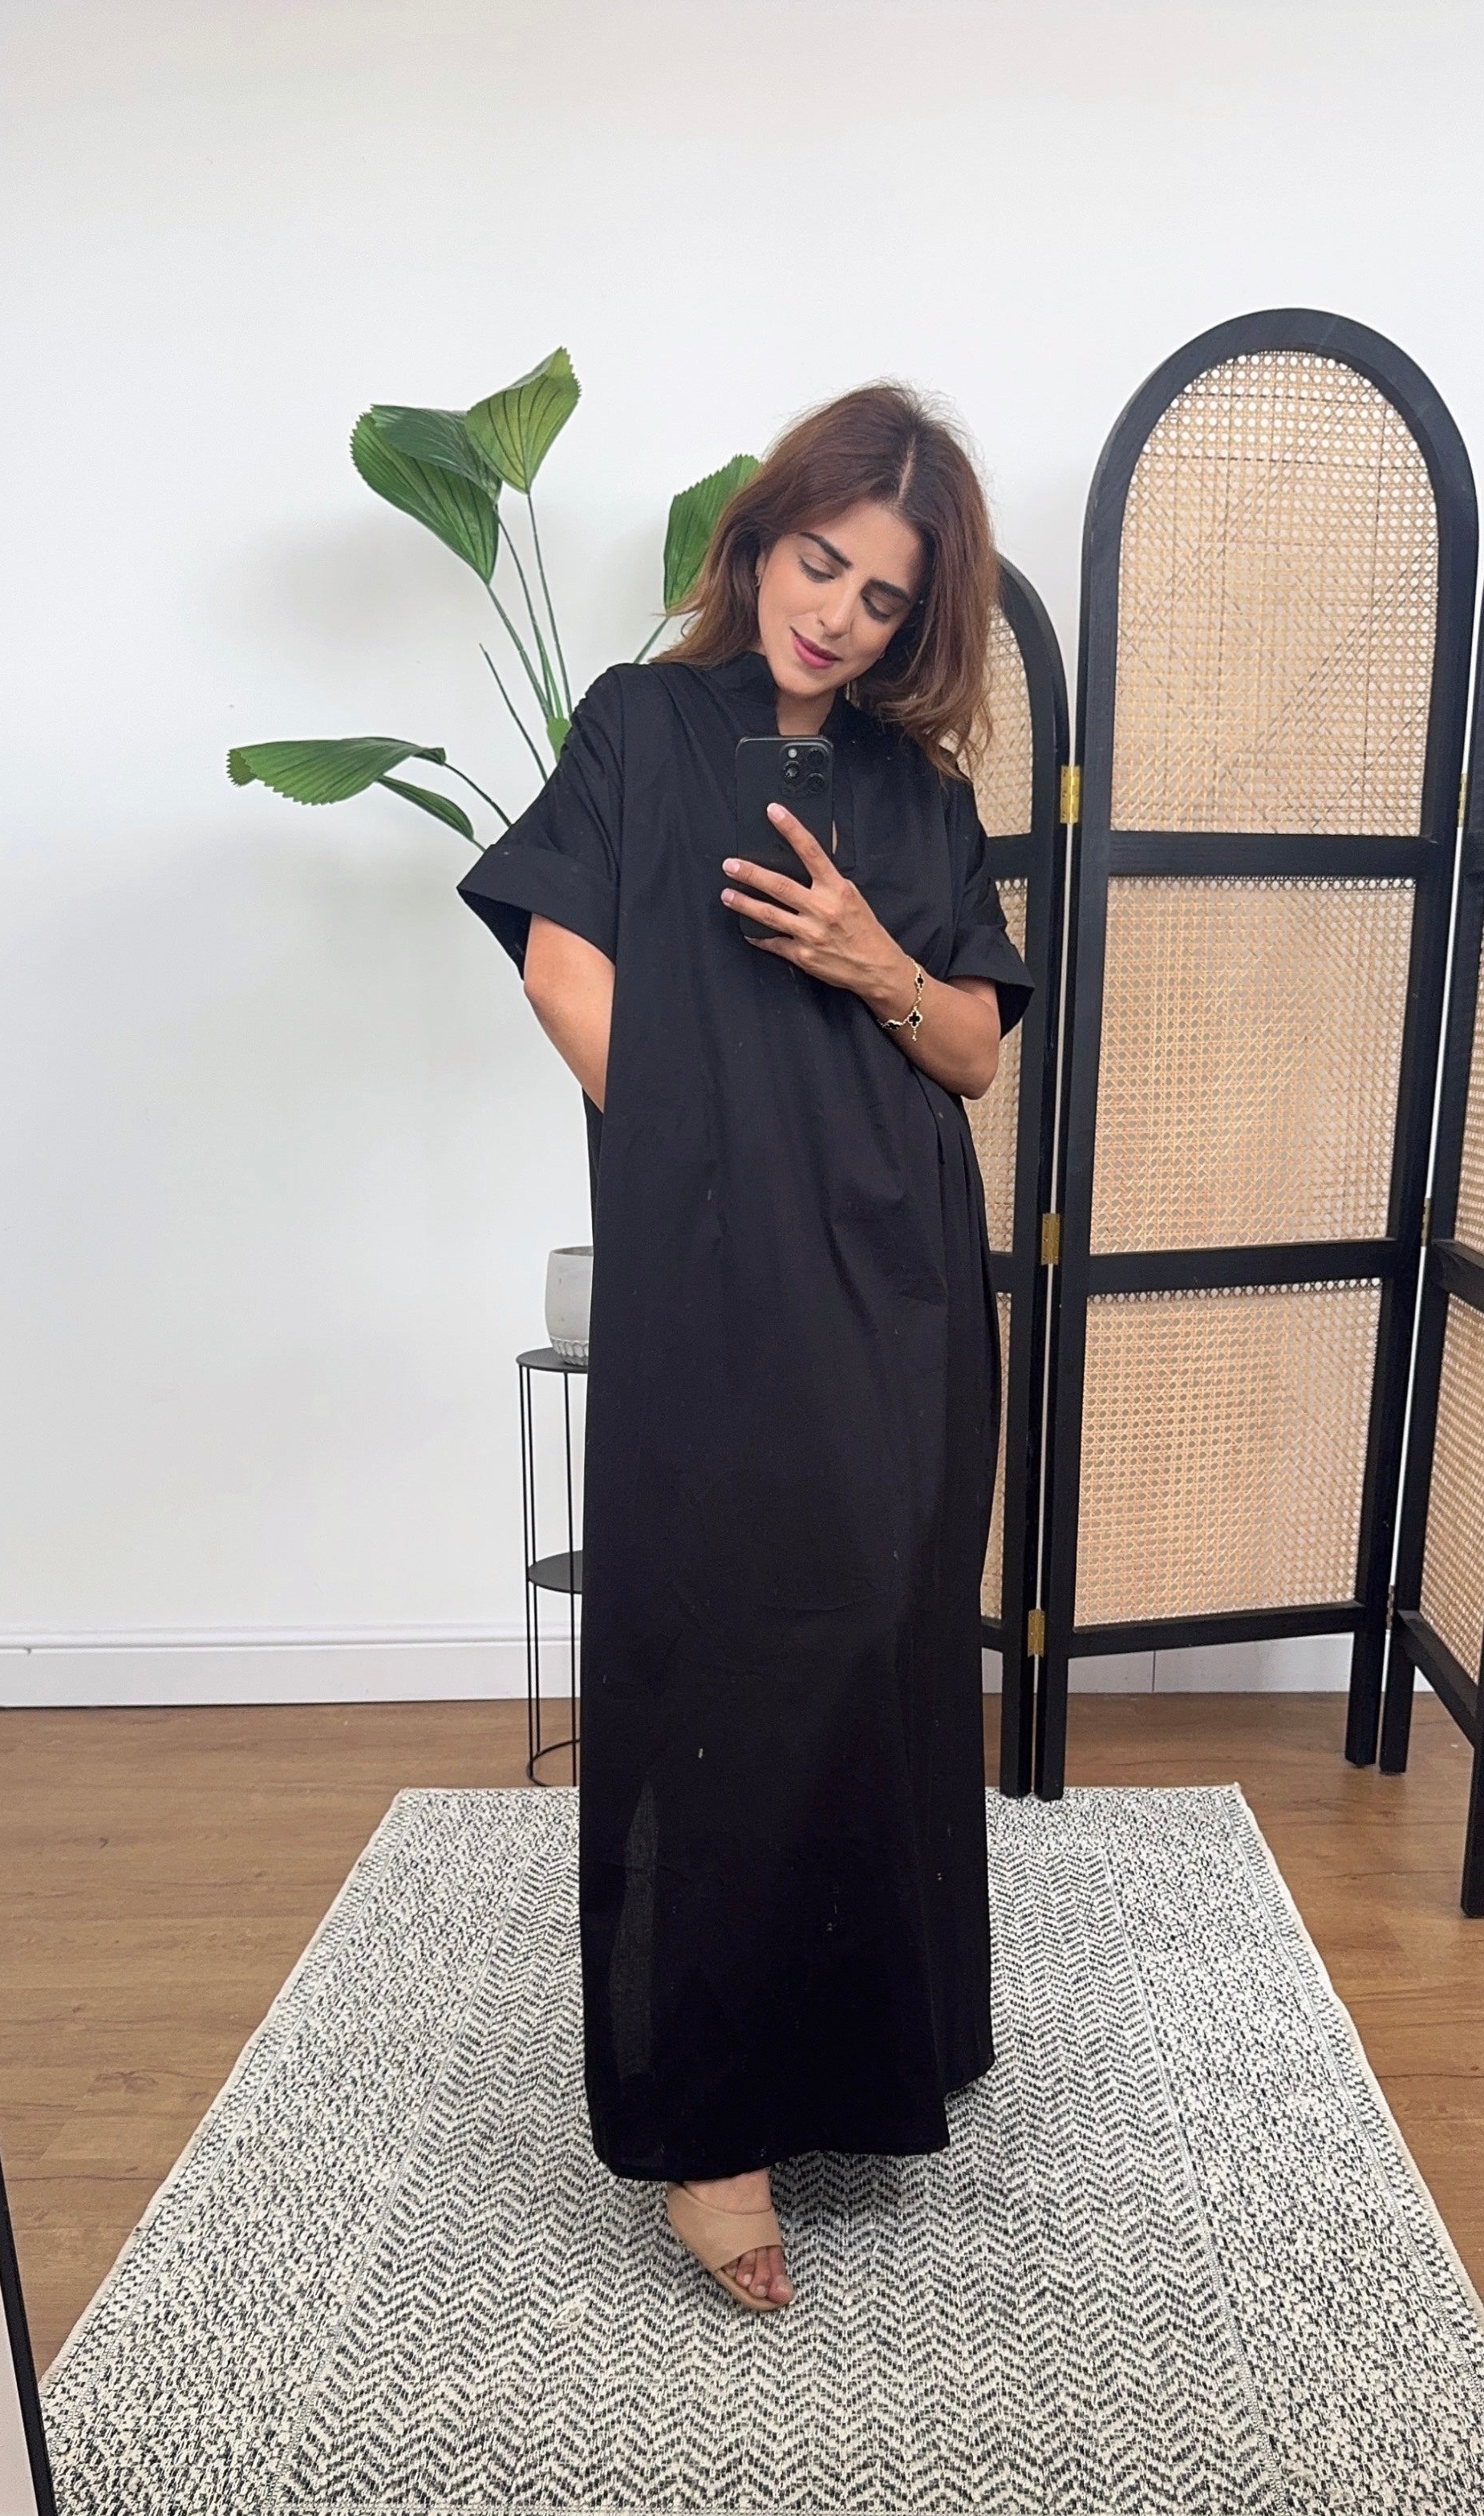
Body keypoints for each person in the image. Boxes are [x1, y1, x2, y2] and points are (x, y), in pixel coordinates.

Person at [458, 383, 1033, 2312]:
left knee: (876, 1635)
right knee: (719, 1647)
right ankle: (712, 2128)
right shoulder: (639, 727)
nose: (837, 615)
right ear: (762, 536)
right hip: (714, 1261)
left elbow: (972, 1048)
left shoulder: (918, 795)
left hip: (899, 1269)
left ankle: (862, 2050)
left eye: (883, 598)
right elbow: (560, 957)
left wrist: (874, 955)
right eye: (820, 562)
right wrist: (707, 1160)